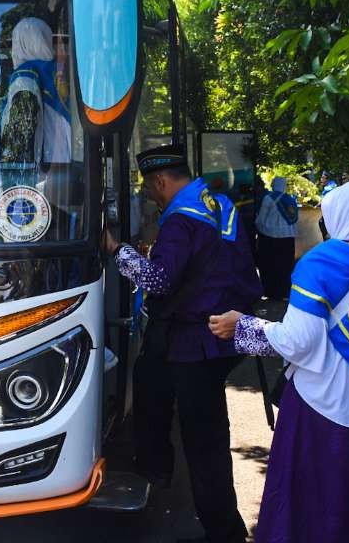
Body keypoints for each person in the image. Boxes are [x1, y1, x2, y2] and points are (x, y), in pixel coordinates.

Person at [210, 179, 349, 543]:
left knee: (310, 511)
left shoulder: (322, 262)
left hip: (322, 411)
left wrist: (241, 326)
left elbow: (298, 342)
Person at [103, 143, 260, 543]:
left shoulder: (181, 220)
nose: (150, 198)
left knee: (204, 441)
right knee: (150, 376)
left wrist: (115, 250)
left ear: (161, 180)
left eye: (149, 190)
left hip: (196, 341)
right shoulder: (218, 204)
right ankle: (154, 468)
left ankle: (223, 531)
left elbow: (157, 280)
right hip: (221, 333)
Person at [0, 17, 72, 188]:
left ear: (20, 42)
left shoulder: (24, 75)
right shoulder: (61, 72)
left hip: (41, 170)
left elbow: (21, 132)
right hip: (65, 161)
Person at [254, 176, 298, 300]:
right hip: (289, 238)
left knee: (269, 265)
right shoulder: (291, 200)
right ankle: (284, 293)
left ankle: (270, 292)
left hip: (270, 237)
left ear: (274, 185)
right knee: (285, 266)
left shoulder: (268, 198)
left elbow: (261, 219)